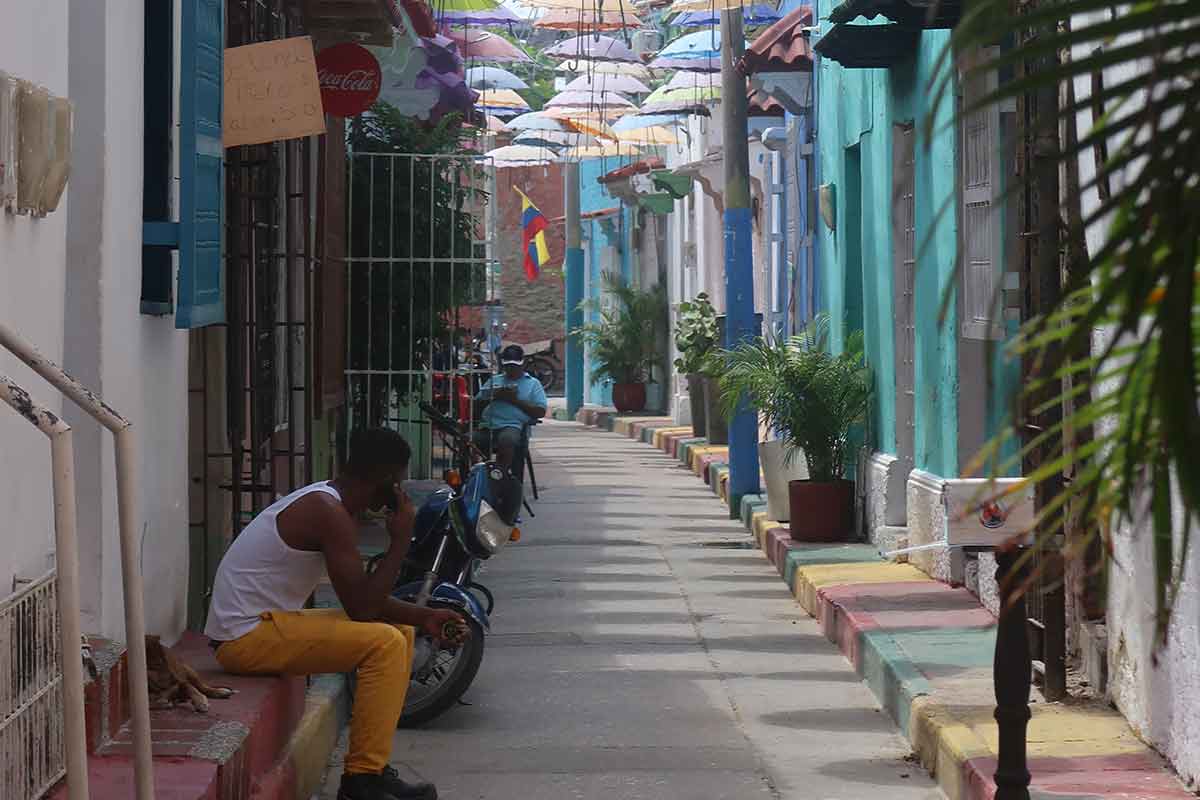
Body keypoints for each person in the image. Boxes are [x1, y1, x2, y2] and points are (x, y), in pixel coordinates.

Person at [205, 428, 466, 800]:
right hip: (243, 638)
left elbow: (361, 599)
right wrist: (400, 541)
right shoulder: (327, 512)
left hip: (264, 626)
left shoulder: (328, 502)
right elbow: (362, 609)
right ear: (386, 480)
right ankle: (362, 779)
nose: (402, 491)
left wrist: (423, 618)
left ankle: (371, 770)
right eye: (399, 480)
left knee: (398, 633)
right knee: (385, 643)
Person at [472, 344, 548, 469]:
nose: (511, 369)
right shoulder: (495, 380)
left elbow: (540, 412)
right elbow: (476, 404)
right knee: (467, 440)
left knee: (507, 440)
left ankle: (501, 475)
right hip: (487, 425)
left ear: (522, 364)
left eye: (514, 366)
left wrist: (514, 400)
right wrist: (494, 397)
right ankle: (473, 476)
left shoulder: (533, 384)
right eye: (508, 366)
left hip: (512, 426)